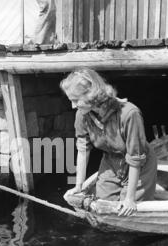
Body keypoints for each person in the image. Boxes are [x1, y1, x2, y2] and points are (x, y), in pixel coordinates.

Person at [61, 68, 157, 216]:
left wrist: (130, 199)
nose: (73, 106)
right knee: (102, 203)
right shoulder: (82, 115)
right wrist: (78, 186)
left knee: (126, 210)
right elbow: (82, 151)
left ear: (90, 95)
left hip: (140, 166)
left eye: (75, 100)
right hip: (111, 162)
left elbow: (136, 158)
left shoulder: (129, 114)